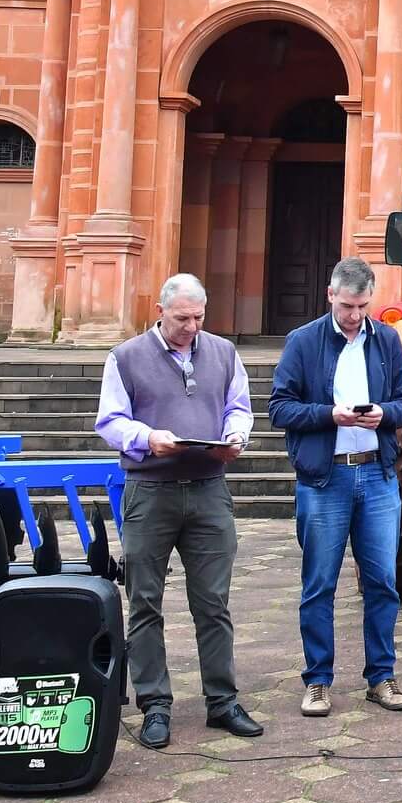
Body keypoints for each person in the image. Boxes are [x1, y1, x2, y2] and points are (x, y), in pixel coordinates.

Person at [94, 274, 260, 749]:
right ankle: (154, 705)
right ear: (160, 311)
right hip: (150, 491)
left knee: (213, 603)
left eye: (199, 317)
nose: (191, 327)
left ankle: (222, 701)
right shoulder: (125, 357)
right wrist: (148, 438)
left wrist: (236, 437)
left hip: (209, 488)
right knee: (144, 601)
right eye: (182, 318)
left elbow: (239, 406)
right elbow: (109, 420)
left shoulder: (223, 353)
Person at [269, 257, 402, 720]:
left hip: (377, 474)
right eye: (348, 305)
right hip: (324, 477)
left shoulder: (387, 340)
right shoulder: (303, 342)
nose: (355, 315)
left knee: (383, 583)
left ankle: (381, 676)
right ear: (330, 296)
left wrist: (384, 414)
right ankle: (317, 681)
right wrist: (328, 415)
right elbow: (279, 409)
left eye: (362, 306)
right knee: (319, 584)